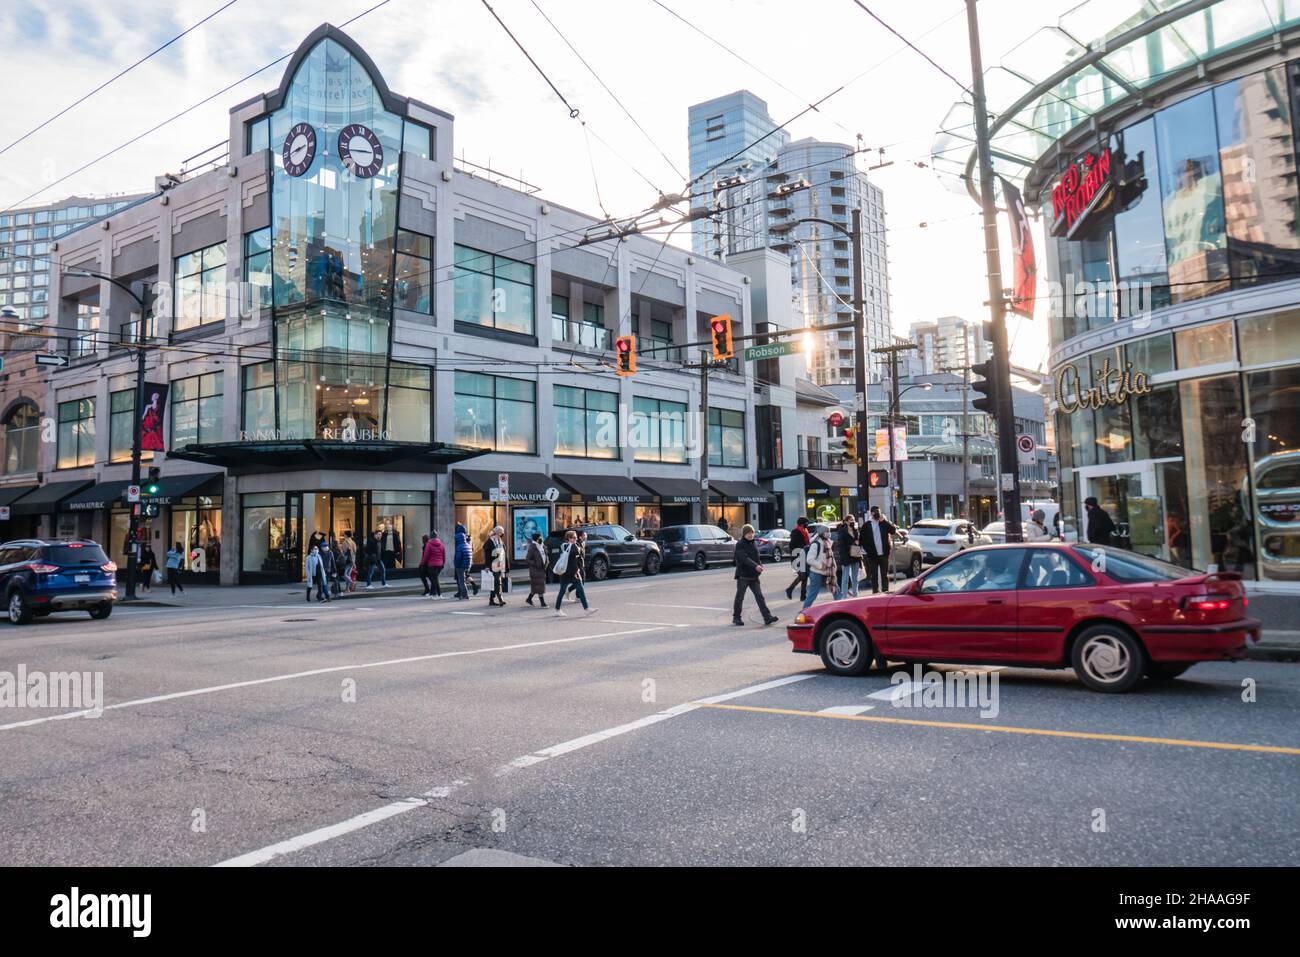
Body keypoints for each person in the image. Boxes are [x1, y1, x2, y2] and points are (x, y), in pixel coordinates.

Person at [732, 524, 778, 627]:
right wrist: (755, 566)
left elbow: (756, 557)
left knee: (760, 597)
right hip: (743, 575)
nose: (750, 535)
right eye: (748, 533)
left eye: (752, 533)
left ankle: (767, 617)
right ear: (744, 534)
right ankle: (736, 617)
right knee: (740, 597)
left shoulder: (753, 543)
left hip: (753, 576)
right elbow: (744, 558)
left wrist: (760, 565)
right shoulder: (740, 544)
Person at [554, 529, 596, 617]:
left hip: (572, 572)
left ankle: (586, 608)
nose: (576, 539)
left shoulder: (563, 546)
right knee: (562, 591)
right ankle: (557, 609)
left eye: (576, 538)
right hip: (567, 573)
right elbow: (577, 552)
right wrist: (579, 548)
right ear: (569, 538)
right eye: (574, 538)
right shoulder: (569, 546)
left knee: (580, 589)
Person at [859, 505, 896, 594]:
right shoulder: (867, 525)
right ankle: (875, 592)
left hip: (884, 553)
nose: (877, 514)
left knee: (884, 574)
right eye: (875, 512)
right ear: (871, 513)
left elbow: (893, 530)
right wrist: (868, 550)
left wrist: (884, 521)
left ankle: (885, 591)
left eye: (878, 512)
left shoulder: (883, 523)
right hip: (872, 555)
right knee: (874, 575)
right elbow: (862, 540)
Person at [801, 526, 836, 610]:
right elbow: (809, 559)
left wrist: (834, 569)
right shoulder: (816, 544)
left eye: (829, 531)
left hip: (829, 573)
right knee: (813, 594)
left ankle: (842, 610)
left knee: (836, 591)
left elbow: (831, 558)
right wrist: (821, 565)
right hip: (816, 573)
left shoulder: (829, 543)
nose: (829, 533)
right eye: (827, 531)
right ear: (821, 533)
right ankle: (804, 611)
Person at [784, 517, 811, 602]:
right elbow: (792, 545)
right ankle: (790, 589)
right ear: (803, 523)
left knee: (805, 575)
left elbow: (806, 542)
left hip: (804, 555)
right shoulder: (795, 531)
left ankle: (803, 595)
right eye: (807, 522)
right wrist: (802, 547)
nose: (808, 524)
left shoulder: (805, 531)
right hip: (797, 556)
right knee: (802, 575)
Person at [834, 515, 860, 599]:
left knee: (855, 577)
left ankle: (855, 594)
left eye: (853, 519)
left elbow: (859, 542)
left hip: (855, 555)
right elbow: (841, 545)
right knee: (845, 578)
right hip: (846, 556)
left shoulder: (856, 531)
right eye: (851, 520)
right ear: (846, 521)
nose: (852, 521)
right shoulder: (842, 531)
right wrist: (853, 544)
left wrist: (858, 542)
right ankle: (844, 596)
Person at [484, 525, 508, 607]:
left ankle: (491, 600)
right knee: (497, 582)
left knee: (495, 582)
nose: (502, 534)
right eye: (501, 532)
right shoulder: (490, 541)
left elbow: (503, 552)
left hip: (500, 564)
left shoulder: (500, 541)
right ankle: (500, 599)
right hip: (493, 564)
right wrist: (487, 566)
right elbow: (487, 555)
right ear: (498, 532)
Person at [525, 531, 548, 608]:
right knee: (540, 586)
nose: (542, 539)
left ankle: (529, 599)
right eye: (540, 537)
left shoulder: (541, 546)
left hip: (542, 569)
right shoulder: (533, 547)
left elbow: (545, 555)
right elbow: (527, 559)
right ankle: (543, 603)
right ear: (537, 539)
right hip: (535, 570)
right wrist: (535, 563)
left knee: (536, 586)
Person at [453, 523, 473, 600]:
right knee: (463, 580)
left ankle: (464, 594)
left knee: (461, 581)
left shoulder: (459, 546)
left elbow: (458, 558)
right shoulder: (467, 545)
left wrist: (456, 565)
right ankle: (463, 594)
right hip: (467, 565)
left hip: (461, 566)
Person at [424, 530, 445, 599]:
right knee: (434, 579)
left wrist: (423, 563)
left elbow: (426, 555)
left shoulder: (429, 544)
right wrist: (443, 564)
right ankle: (431, 593)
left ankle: (439, 594)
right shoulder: (441, 544)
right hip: (439, 564)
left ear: (431, 536)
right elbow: (443, 555)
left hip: (432, 565)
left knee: (434, 579)